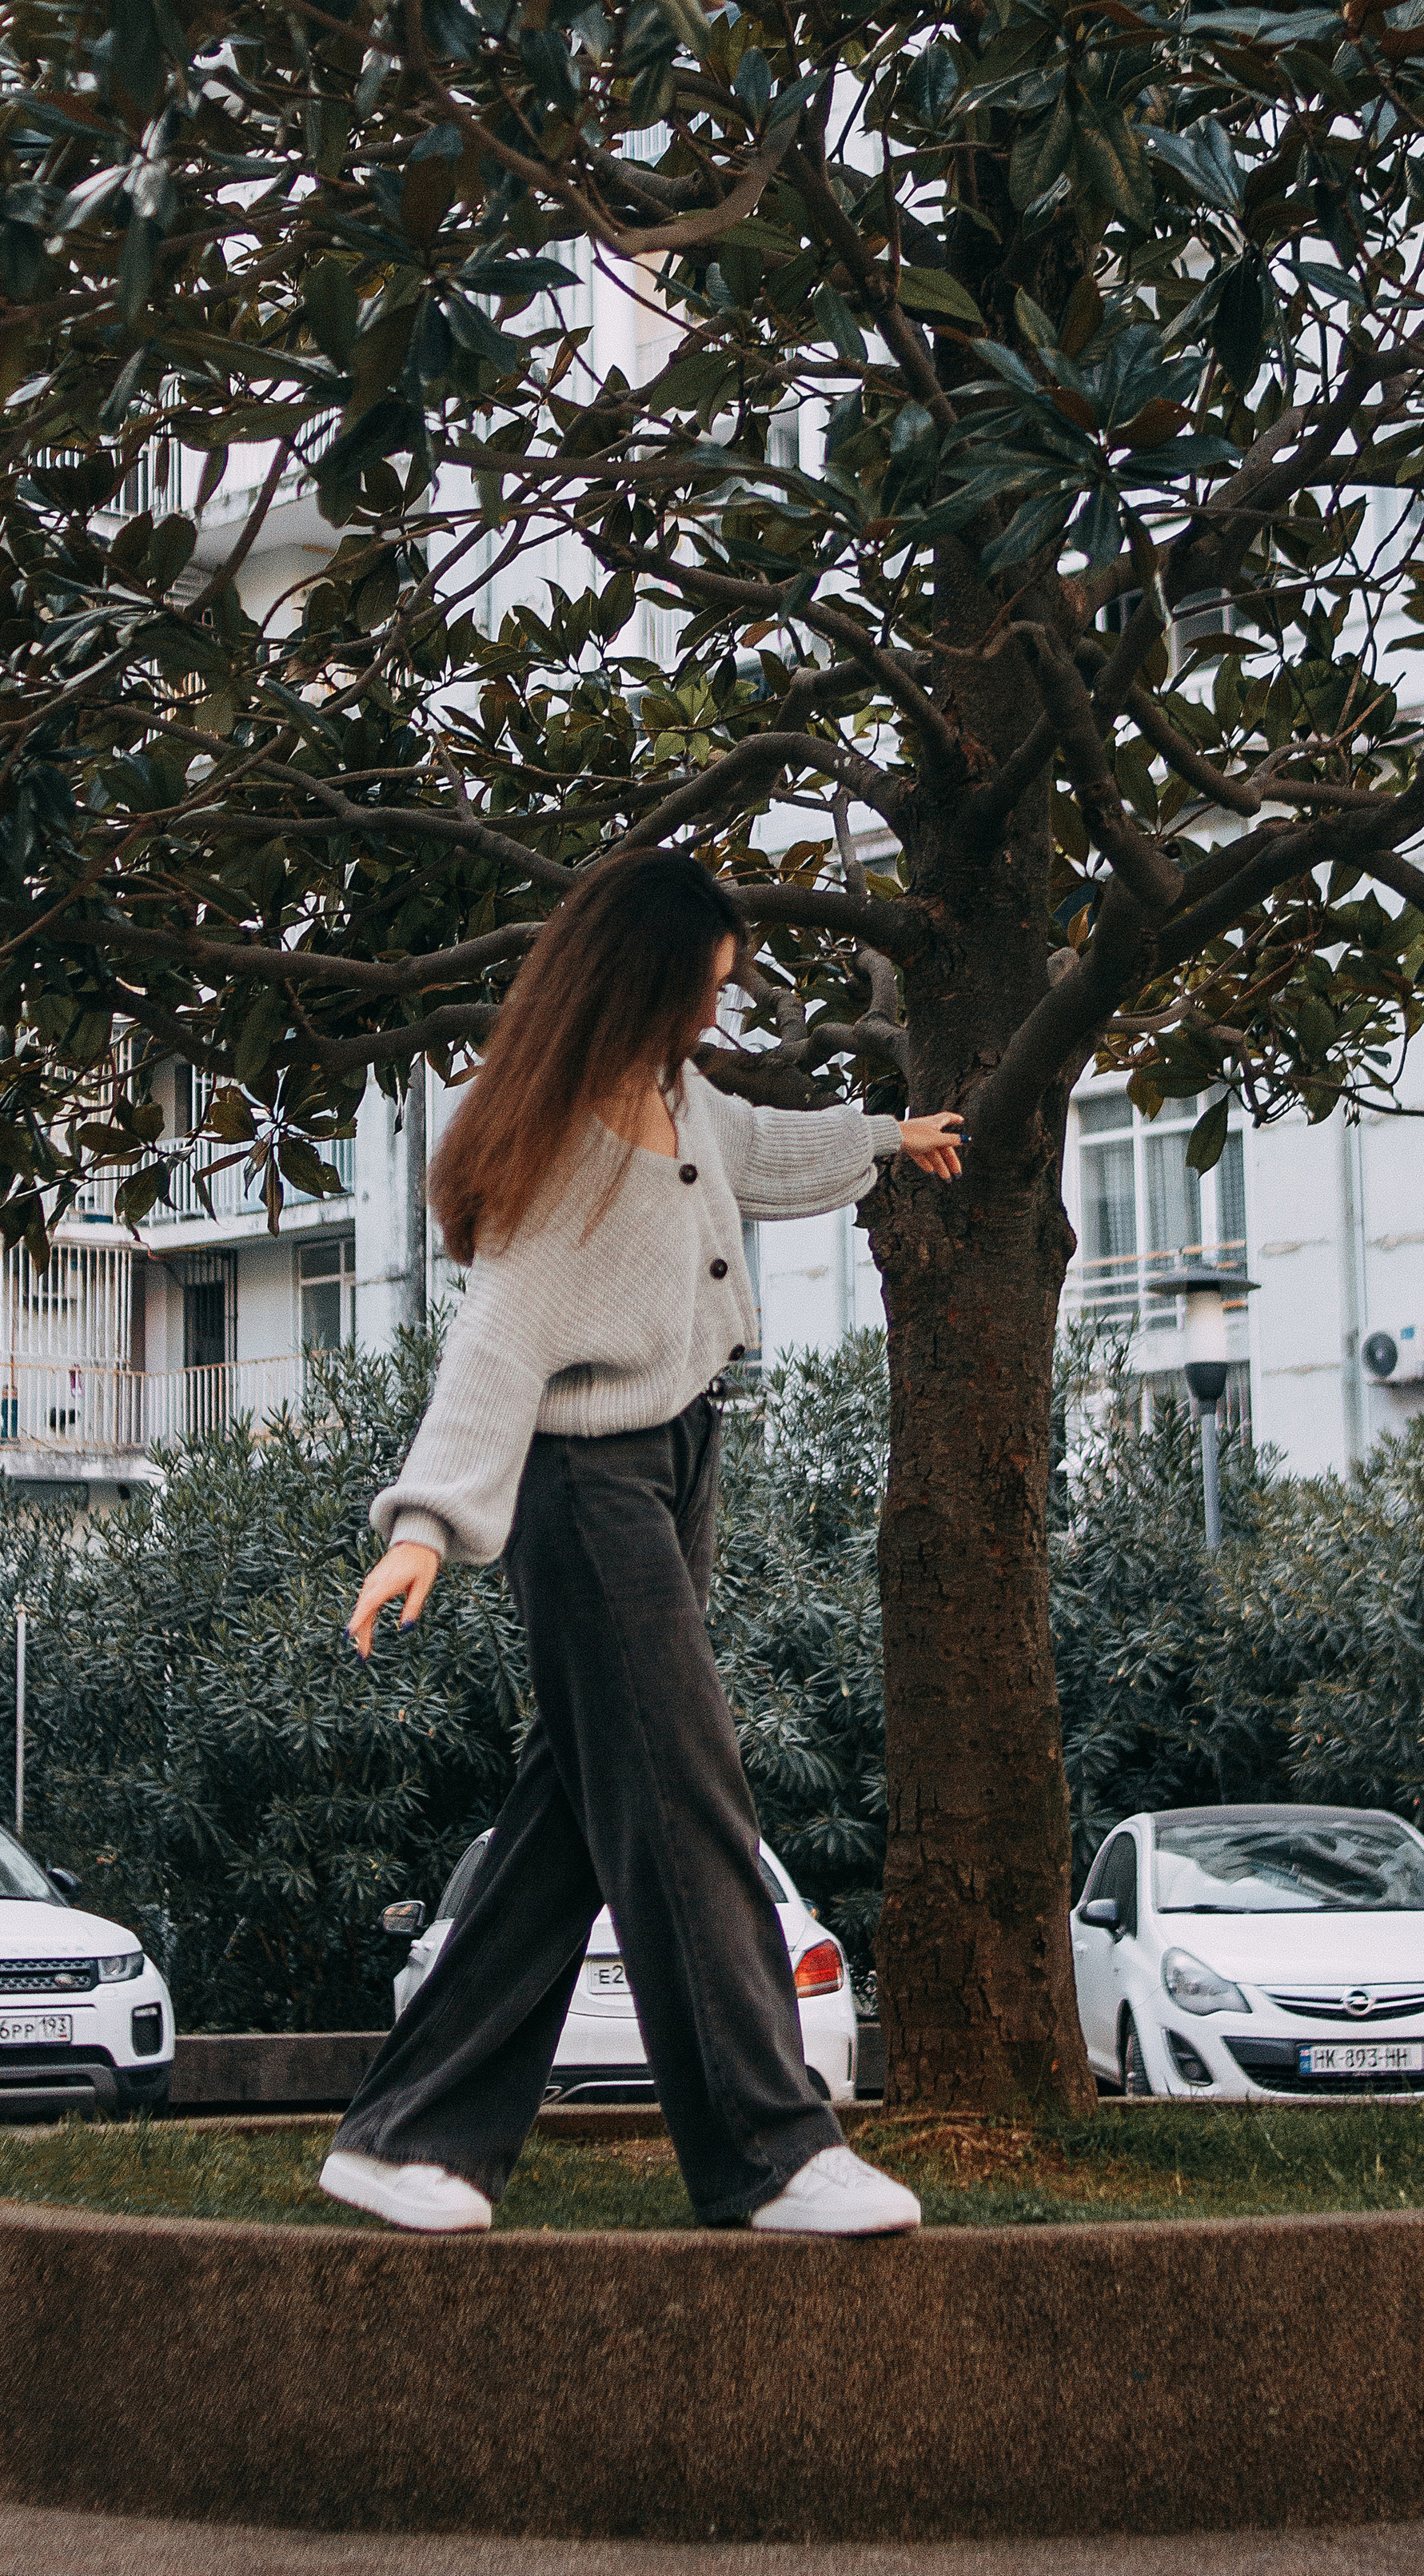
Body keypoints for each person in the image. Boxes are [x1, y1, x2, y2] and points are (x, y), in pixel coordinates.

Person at [319, 847, 962, 2238]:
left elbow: (765, 1149)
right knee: (683, 1790)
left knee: (579, 1809)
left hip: (680, 1463)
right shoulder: (559, 1154)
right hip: (583, 1485)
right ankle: (769, 2152)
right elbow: (490, 1352)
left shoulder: (682, 1101)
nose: (712, 1019)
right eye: (701, 992)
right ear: (637, 983)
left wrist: (884, 1140)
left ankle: (406, 2134)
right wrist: (425, 1530)